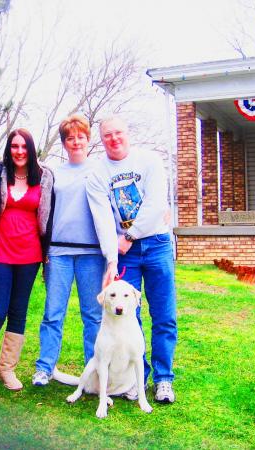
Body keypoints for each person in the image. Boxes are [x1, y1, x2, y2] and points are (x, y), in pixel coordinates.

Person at [86, 116, 177, 404]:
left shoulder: (148, 160)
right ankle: (135, 381)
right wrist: (111, 259)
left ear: (128, 133)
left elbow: (156, 206)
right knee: (127, 315)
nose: (114, 139)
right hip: (126, 252)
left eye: (118, 133)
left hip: (157, 243)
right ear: (101, 139)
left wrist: (129, 236)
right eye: (107, 135)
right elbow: (102, 219)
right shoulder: (97, 172)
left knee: (163, 315)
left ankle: (163, 379)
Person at [0, 128, 54, 392]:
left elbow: (49, 216)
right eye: (15, 146)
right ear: (9, 149)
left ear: (31, 149)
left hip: (29, 254)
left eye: (24, 147)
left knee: (18, 312)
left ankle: (7, 369)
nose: (19, 151)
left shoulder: (44, 177)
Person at [32, 114, 104, 387]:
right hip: (58, 253)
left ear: (88, 139)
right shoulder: (53, 173)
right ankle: (45, 367)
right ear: (64, 143)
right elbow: (42, 212)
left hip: (92, 255)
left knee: (93, 315)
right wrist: (44, 248)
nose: (76, 142)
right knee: (53, 312)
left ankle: (94, 371)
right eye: (70, 138)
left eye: (81, 137)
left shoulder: (99, 170)